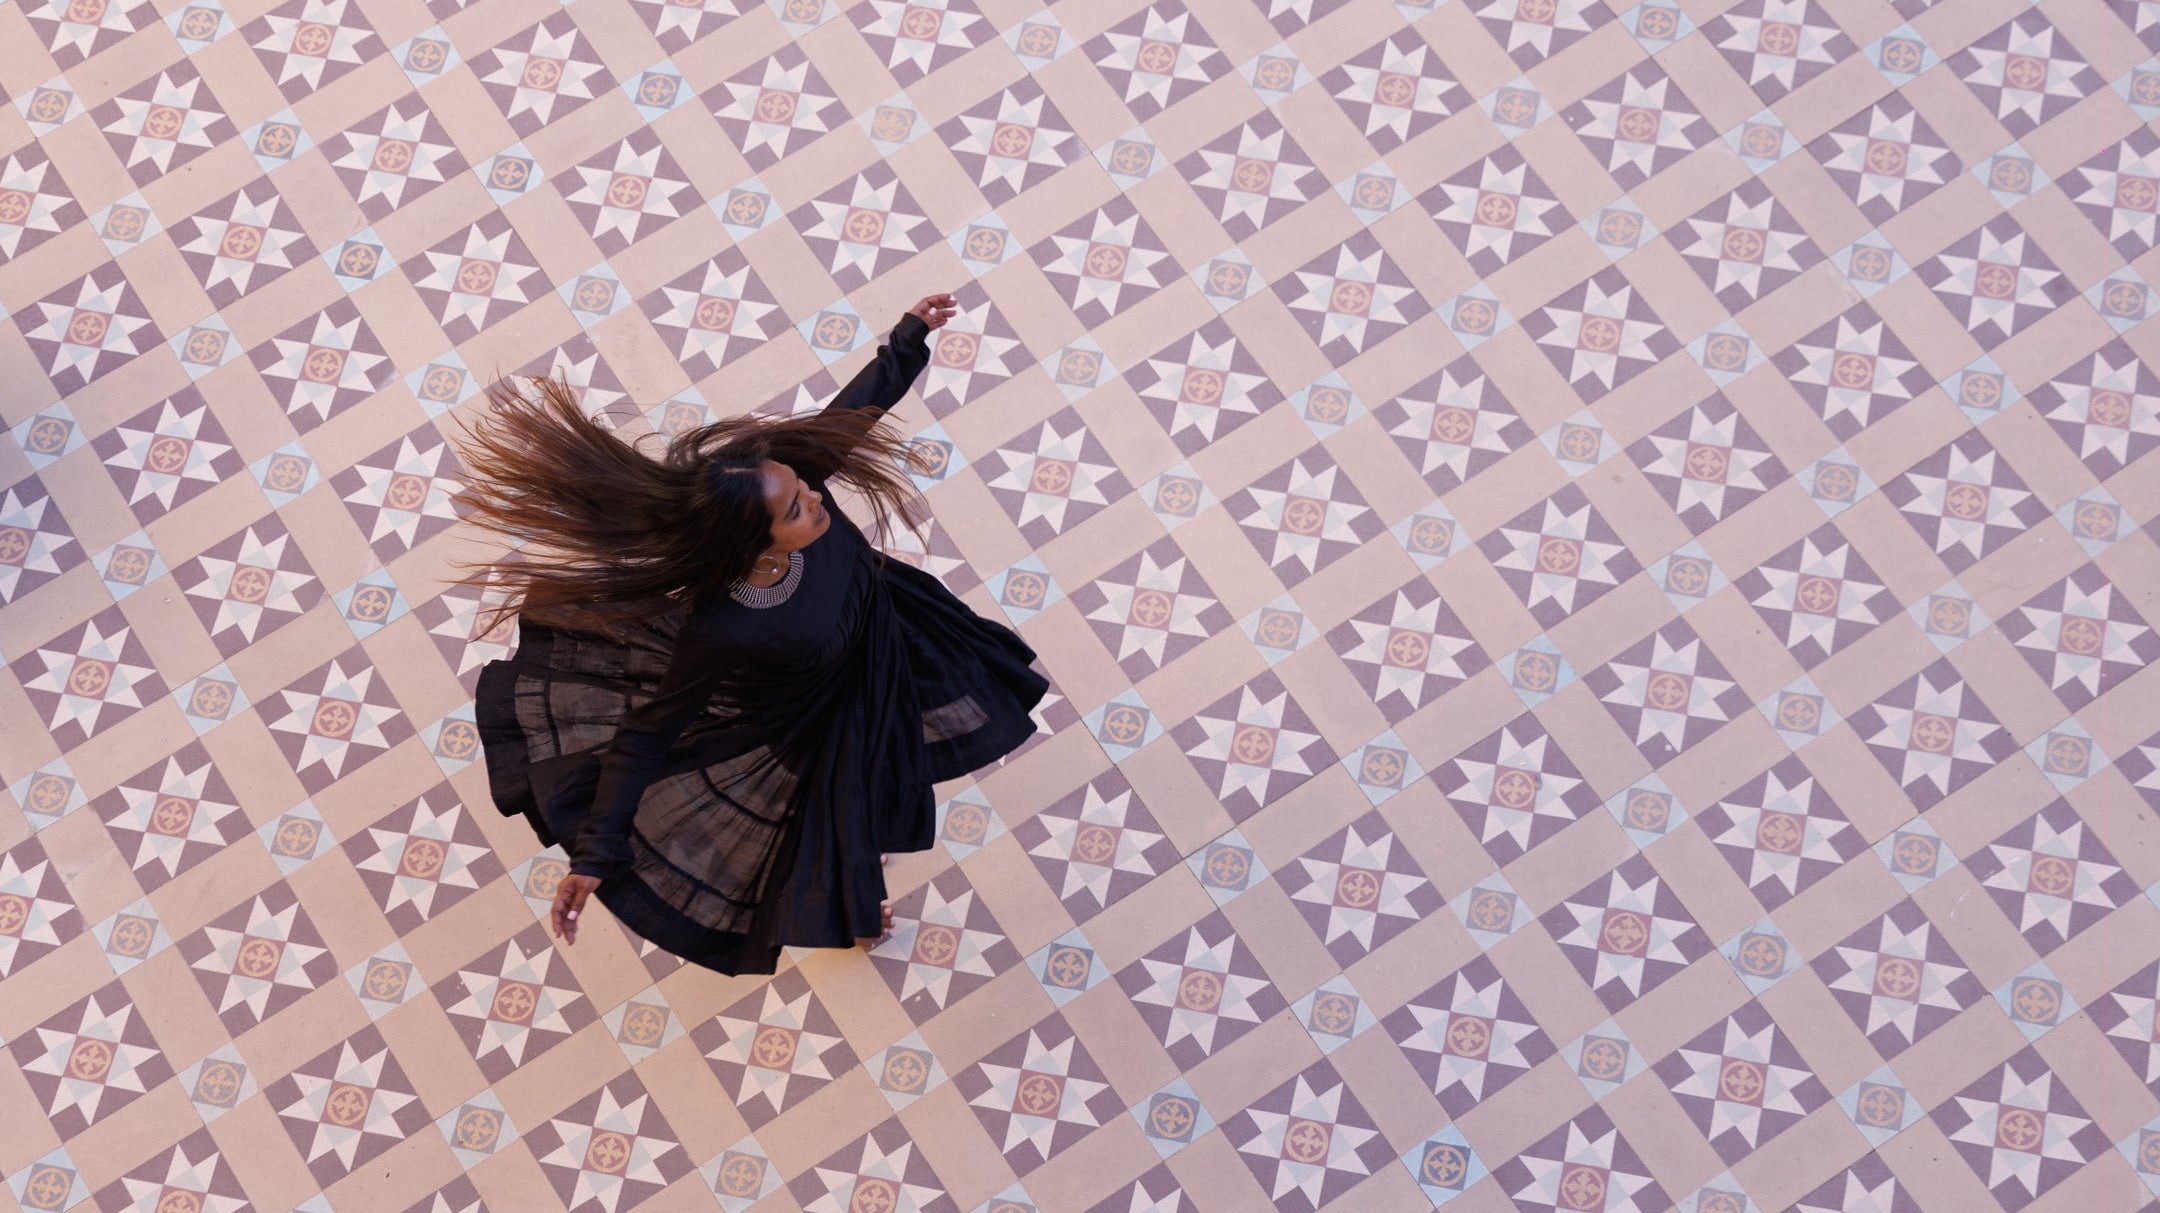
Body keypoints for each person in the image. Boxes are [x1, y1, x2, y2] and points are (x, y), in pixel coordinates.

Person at [462, 293, 1048, 974]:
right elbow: (648, 733)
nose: (819, 497)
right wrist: (595, 856)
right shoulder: (725, 627)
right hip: (819, 716)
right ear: (756, 548)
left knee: (930, 744)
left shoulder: (775, 485)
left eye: (804, 485)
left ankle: (863, 873)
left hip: (890, 629)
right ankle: (858, 918)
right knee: (841, 824)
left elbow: (844, 422)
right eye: (798, 507)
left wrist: (908, 339)